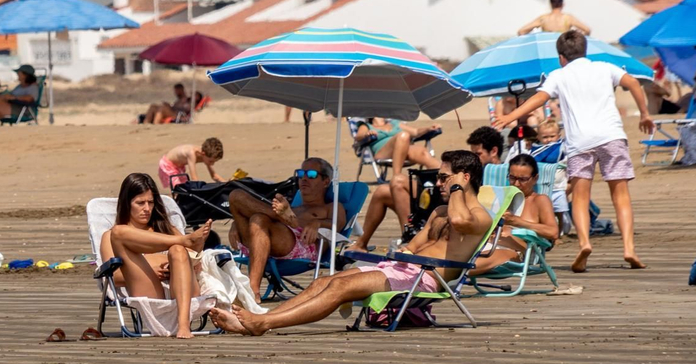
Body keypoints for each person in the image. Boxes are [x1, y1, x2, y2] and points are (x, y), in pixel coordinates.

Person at [213, 151, 494, 335]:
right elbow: (414, 244)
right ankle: (261, 318)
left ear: (464, 178)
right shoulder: (439, 212)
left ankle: (264, 323)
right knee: (322, 282)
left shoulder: (479, 216)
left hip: (426, 279)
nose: (439, 183)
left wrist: (456, 189)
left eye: (445, 178)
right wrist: (401, 253)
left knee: (339, 288)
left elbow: (459, 221)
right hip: (402, 268)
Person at [493, 30, 652, 272]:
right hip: (611, 136)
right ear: (585, 50)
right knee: (620, 195)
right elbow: (633, 83)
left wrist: (509, 117)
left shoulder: (559, 75)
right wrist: (645, 113)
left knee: (580, 195)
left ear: (561, 57)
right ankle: (629, 249)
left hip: (580, 141)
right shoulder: (604, 67)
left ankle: (584, 244)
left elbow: (539, 99)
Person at [97, 172, 212, 339]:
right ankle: (185, 240)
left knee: (179, 250)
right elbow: (112, 277)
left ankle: (183, 326)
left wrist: (175, 270)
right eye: (140, 203)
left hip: (185, 292)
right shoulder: (111, 237)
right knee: (118, 232)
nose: (147, 209)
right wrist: (153, 271)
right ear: (126, 203)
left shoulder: (166, 228)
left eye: (151, 202)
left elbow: (197, 266)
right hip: (150, 291)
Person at [353, 126, 503, 251]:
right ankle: (363, 243)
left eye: (478, 154)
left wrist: (455, 185)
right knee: (383, 192)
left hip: (457, 209)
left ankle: (410, 236)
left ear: (494, 151)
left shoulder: (496, 173)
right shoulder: (470, 168)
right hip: (440, 202)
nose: (475, 157)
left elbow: (463, 216)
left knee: (397, 182)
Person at [228, 157, 345, 296]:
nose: (304, 179)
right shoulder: (292, 206)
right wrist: (236, 223)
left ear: (326, 181)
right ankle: (286, 219)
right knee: (235, 195)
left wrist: (318, 223)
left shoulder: (331, 207)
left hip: (301, 246)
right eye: (301, 174)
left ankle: (253, 289)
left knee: (259, 218)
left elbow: (338, 224)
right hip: (260, 242)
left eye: (312, 175)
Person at [470, 153, 561, 275]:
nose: (516, 184)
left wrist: (518, 222)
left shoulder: (539, 200)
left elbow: (553, 232)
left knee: (465, 268)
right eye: (512, 178)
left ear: (535, 178)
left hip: (514, 252)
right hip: (483, 245)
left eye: (523, 179)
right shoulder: (500, 197)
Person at [157, 137, 223, 188]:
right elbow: (194, 178)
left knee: (184, 188)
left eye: (214, 162)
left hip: (179, 167)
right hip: (167, 165)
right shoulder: (192, 153)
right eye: (211, 161)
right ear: (203, 153)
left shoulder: (206, 155)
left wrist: (227, 183)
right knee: (178, 188)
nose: (212, 164)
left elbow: (214, 176)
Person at [518, 0, 592, 36]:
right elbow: (587, 30)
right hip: (563, 49)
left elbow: (521, 32)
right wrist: (573, 37)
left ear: (550, 4)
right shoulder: (568, 18)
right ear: (562, 4)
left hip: (547, 48)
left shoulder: (543, 18)